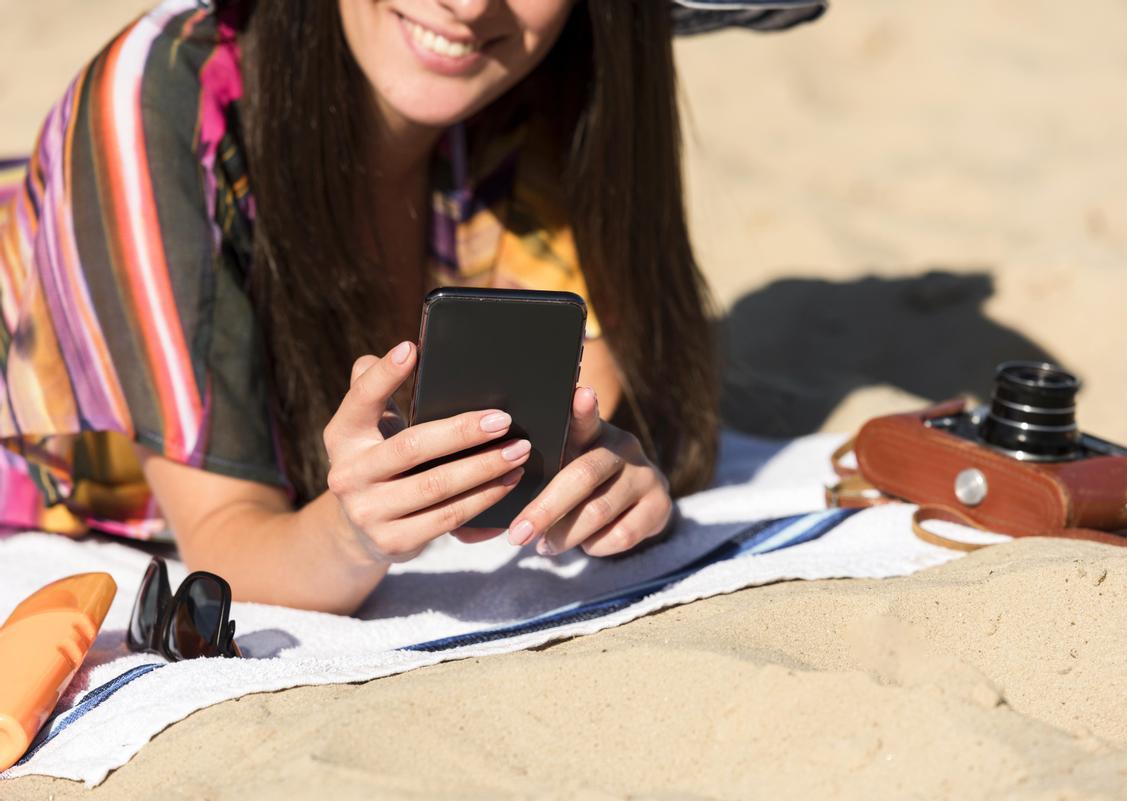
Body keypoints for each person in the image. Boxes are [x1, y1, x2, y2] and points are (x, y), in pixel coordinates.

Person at [0, 0, 825, 613]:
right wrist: (353, 532)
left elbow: (605, 403)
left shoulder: (541, 88)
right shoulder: (164, 107)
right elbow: (224, 546)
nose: (467, 7)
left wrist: (616, 477)